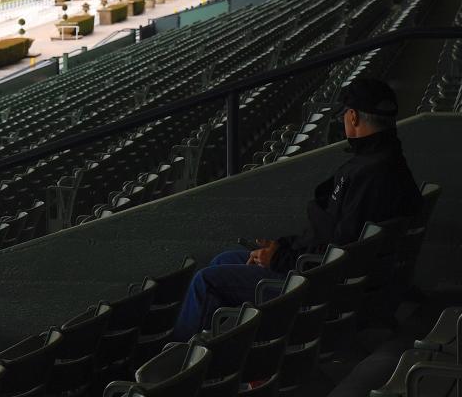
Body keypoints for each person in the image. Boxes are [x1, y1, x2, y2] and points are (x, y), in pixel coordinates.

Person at [171, 78, 422, 341]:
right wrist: (282, 248)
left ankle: (181, 370)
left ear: (353, 117)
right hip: (326, 273)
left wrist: (280, 258)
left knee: (206, 282)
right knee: (223, 261)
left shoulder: (368, 173)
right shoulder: (390, 161)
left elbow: (340, 248)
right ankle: (223, 355)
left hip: (316, 287)